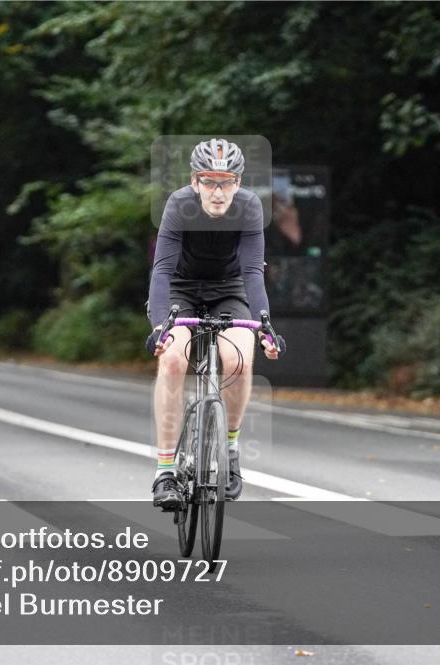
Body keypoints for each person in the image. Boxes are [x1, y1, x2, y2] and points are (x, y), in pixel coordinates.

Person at [147, 138, 280, 509]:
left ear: (238, 184)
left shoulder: (250, 207)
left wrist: (266, 325)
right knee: (173, 360)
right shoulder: (179, 205)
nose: (218, 192)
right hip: (180, 288)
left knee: (239, 358)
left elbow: (254, 272)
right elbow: (161, 271)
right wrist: (161, 327)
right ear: (195, 182)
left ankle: (231, 448)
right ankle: (165, 472)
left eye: (227, 182)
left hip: (230, 288)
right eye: (209, 181)